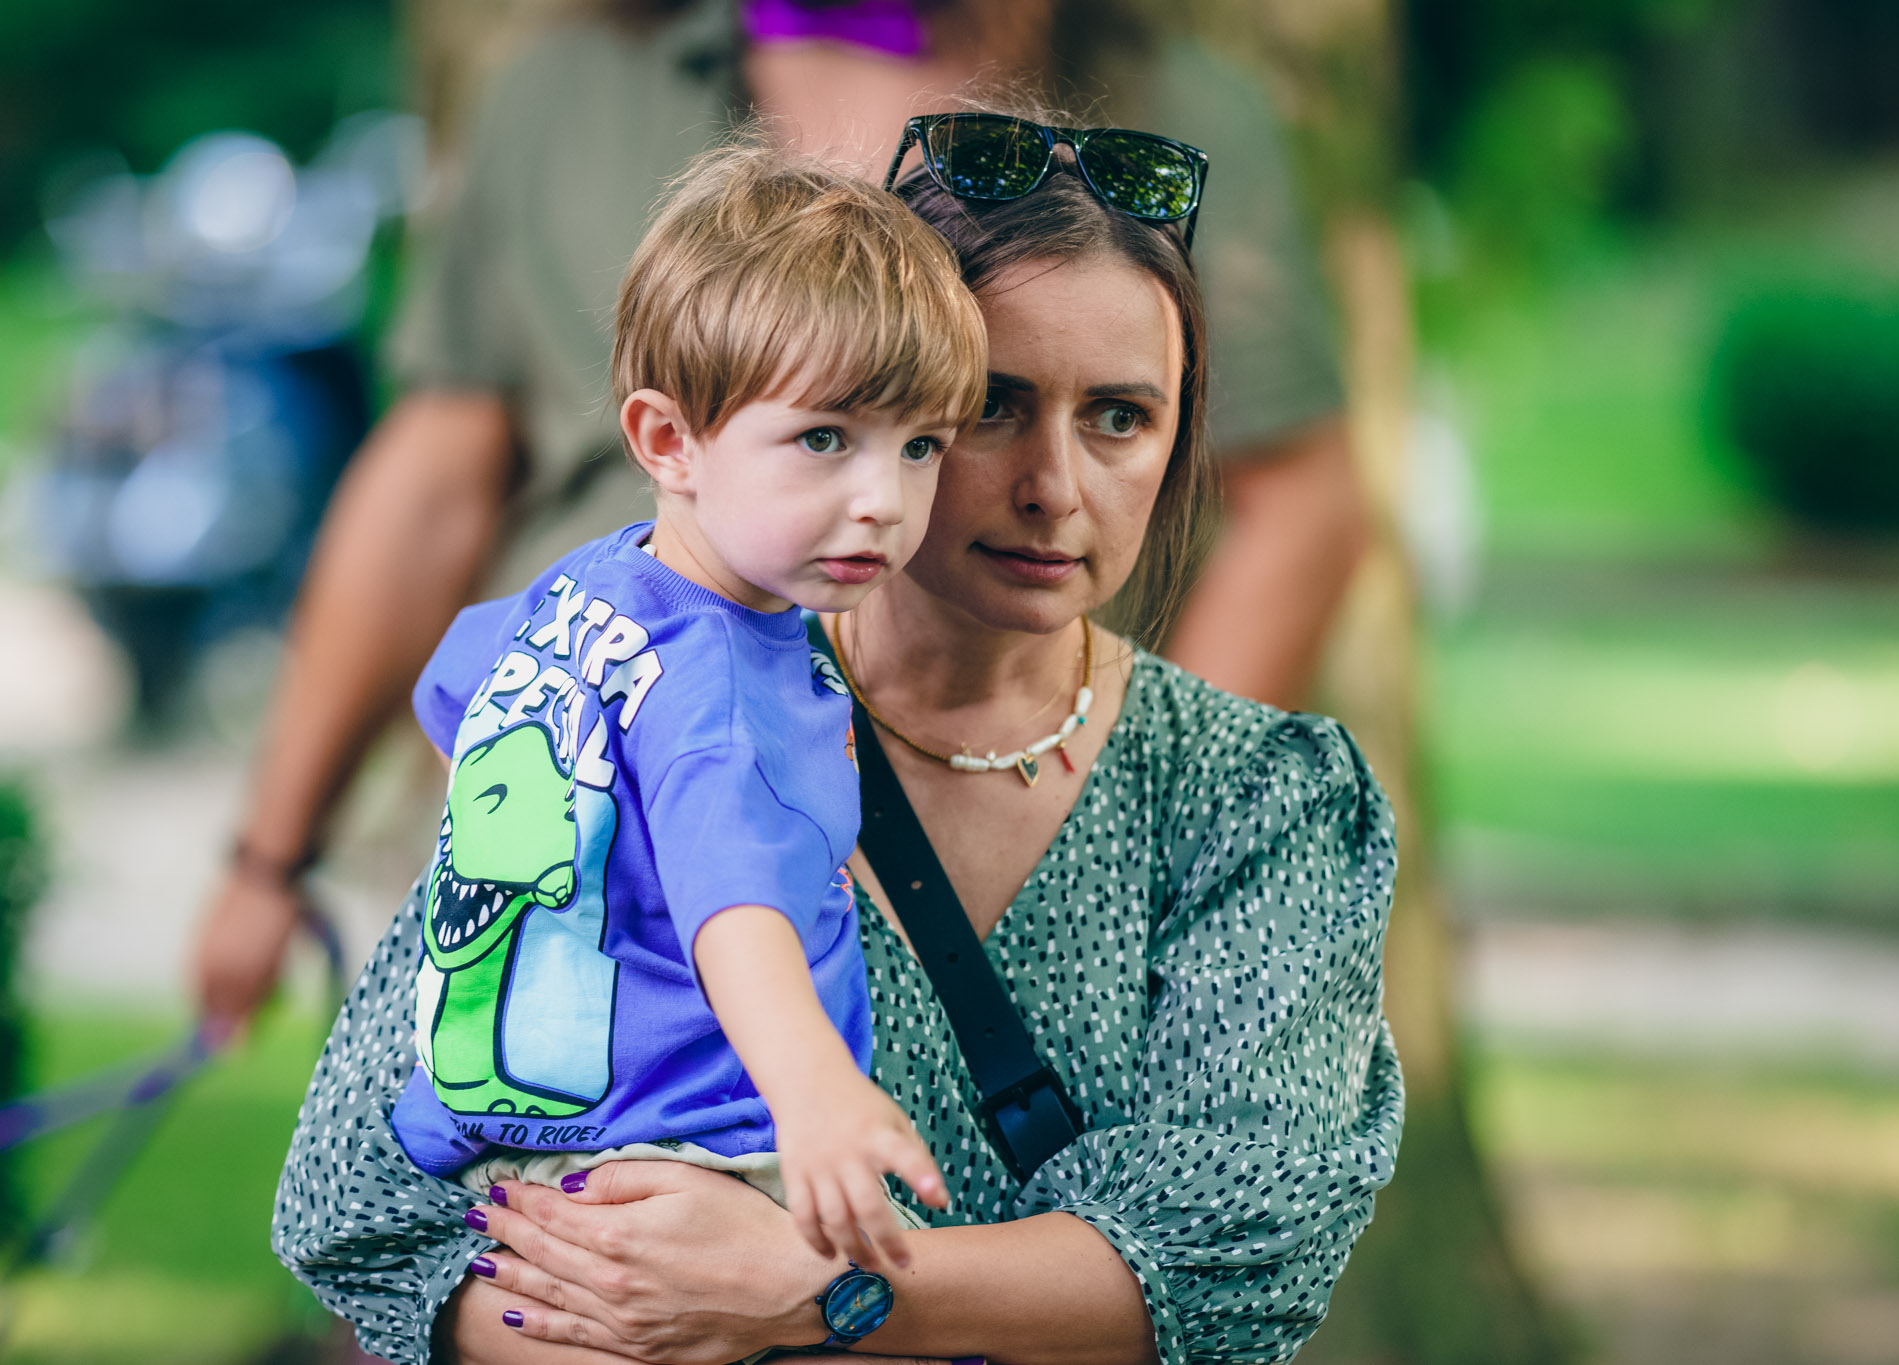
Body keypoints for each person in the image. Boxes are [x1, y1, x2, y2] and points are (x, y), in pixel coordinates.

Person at [274, 112, 1402, 1365]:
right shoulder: (633, 691)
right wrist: (637, 1317)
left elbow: (1235, 1257)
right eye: (990, 408)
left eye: (1121, 417)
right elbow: (358, 1205)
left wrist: (815, 1292)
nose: (1055, 485)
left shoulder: (1260, 798)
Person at [192, 0, 1365, 1037]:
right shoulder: (563, 87)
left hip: (961, 814)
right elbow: (435, 478)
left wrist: (1130, 823)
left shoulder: (1170, 107)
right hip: (580, 809)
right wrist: (268, 856)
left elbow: (1301, 500)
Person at [390, 145, 986, 1269]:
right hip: (708, 1154)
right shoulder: (721, 687)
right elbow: (733, 903)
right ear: (669, 441)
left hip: (514, 1129)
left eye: (921, 447)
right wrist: (813, 1092)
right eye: (824, 439)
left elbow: (454, 688)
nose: (882, 500)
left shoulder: (585, 587)